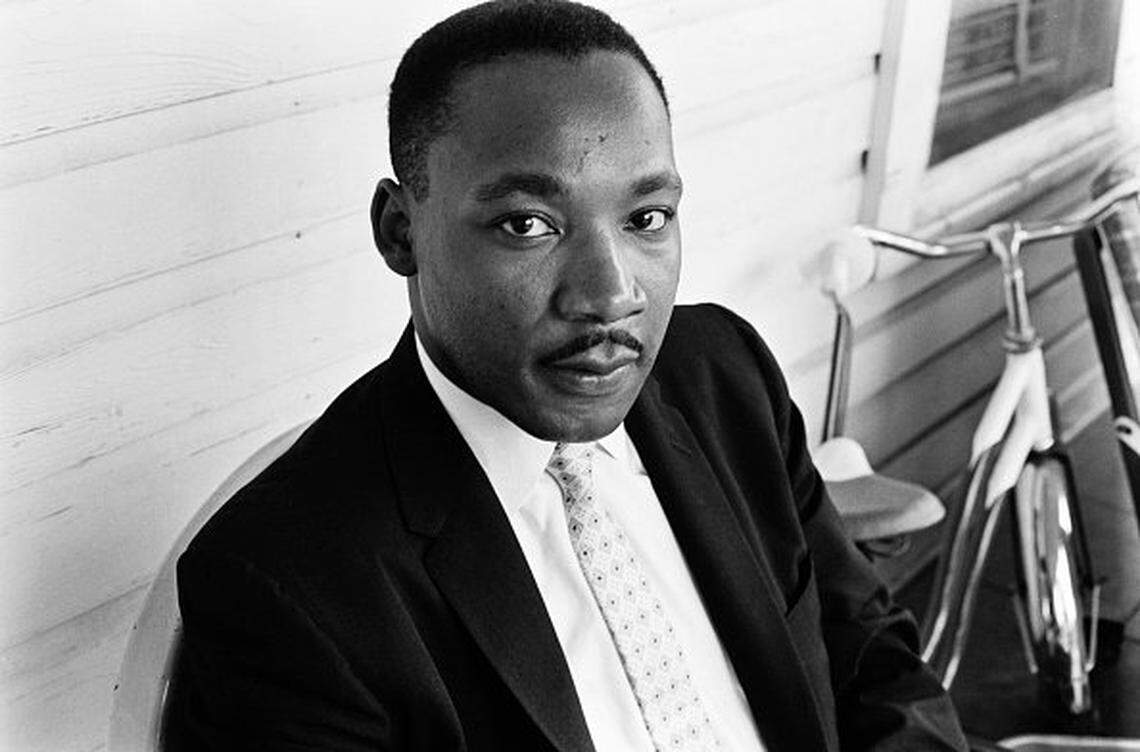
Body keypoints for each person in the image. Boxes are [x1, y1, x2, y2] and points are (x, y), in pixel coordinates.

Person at [168, 1, 970, 749]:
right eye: (528, 224)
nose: (611, 293)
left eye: (645, 218)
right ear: (399, 231)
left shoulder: (727, 378)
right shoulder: (284, 584)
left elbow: (871, 663)